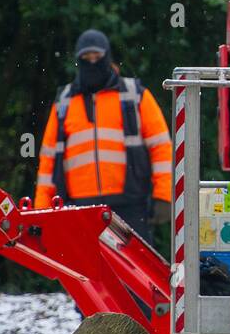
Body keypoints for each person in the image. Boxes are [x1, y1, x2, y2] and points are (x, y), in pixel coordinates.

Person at [34, 29, 172, 243]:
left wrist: (164, 195)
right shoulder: (64, 103)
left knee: (134, 274)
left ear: (107, 57)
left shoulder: (134, 94)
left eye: (97, 57)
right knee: (83, 275)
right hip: (78, 208)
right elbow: (48, 161)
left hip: (130, 207)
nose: (92, 63)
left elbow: (161, 146)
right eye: (86, 58)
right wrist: (42, 210)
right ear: (78, 61)